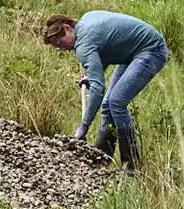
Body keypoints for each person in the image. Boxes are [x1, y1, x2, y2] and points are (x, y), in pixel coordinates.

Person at [42, 11, 170, 176]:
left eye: (60, 42)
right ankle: (100, 159)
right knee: (107, 106)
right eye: (58, 47)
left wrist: (84, 126)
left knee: (116, 102)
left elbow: (98, 89)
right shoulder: (86, 19)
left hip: (151, 50)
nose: (63, 49)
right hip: (132, 52)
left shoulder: (83, 45)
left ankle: (131, 168)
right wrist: (93, 75)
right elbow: (108, 45)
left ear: (67, 27)